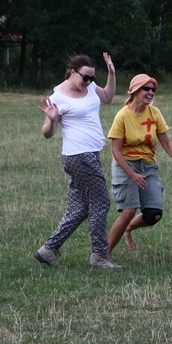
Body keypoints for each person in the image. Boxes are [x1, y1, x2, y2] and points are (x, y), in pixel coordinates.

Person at [34, 53, 119, 268]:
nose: (89, 82)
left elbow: (108, 98)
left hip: (90, 154)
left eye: (92, 78)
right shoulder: (58, 97)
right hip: (79, 156)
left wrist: (111, 73)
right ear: (73, 72)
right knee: (101, 202)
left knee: (79, 209)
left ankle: (48, 250)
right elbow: (47, 133)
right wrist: (53, 120)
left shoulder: (89, 87)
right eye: (85, 77)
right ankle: (99, 255)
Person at [107, 74, 172, 254]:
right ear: (135, 90)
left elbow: (165, 141)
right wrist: (132, 174)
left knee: (154, 214)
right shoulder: (122, 116)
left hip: (148, 166)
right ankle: (104, 254)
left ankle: (128, 229)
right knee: (129, 211)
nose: (151, 92)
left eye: (153, 89)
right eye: (146, 88)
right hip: (126, 165)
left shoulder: (155, 113)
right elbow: (116, 151)